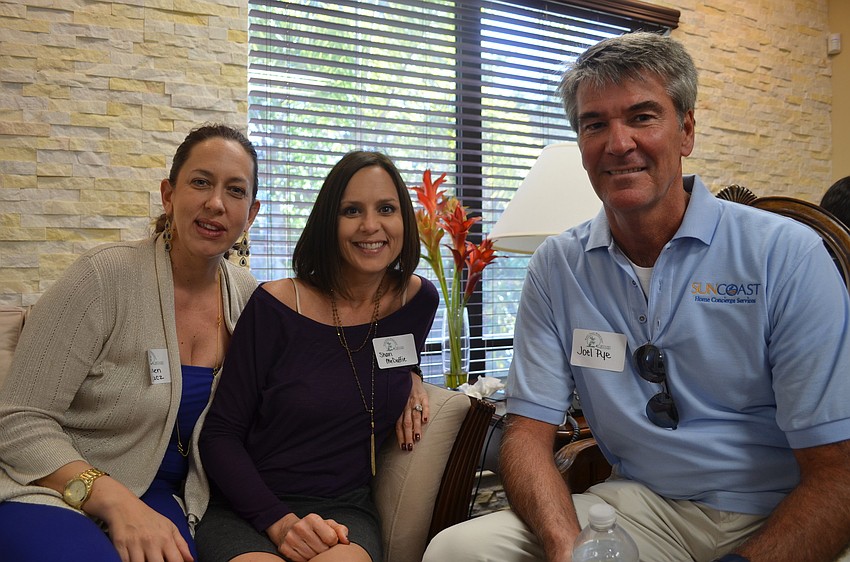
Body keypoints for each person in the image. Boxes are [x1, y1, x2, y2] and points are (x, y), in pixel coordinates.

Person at [423, 31, 850, 562]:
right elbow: (527, 437)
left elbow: (838, 472)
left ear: (686, 130)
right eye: (594, 124)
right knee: (461, 549)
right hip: (641, 508)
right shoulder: (558, 267)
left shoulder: (785, 255)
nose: (617, 143)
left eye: (642, 117)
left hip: (783, 509)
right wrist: (566, 548)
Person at [0, 123, 262, 561]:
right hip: (51, 487)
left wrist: (405, 381)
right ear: (168, 194)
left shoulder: (250, 298)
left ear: (250, 214)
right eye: (201, 182)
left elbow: (314, 365)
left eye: (235, 191)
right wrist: (114, 500)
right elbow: (17, 419)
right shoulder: (101, 279)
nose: (216, 203)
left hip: (165, 500)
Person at [195, 150, 439, 562]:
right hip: (249, 505)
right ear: (329, 221)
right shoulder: (276, 305)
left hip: (343, 507)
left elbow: (381, 360)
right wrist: (278, 520)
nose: (371, 226)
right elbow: (219, 434)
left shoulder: (416, 301)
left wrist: (411, 375)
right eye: (351, 210)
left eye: (386, 208)